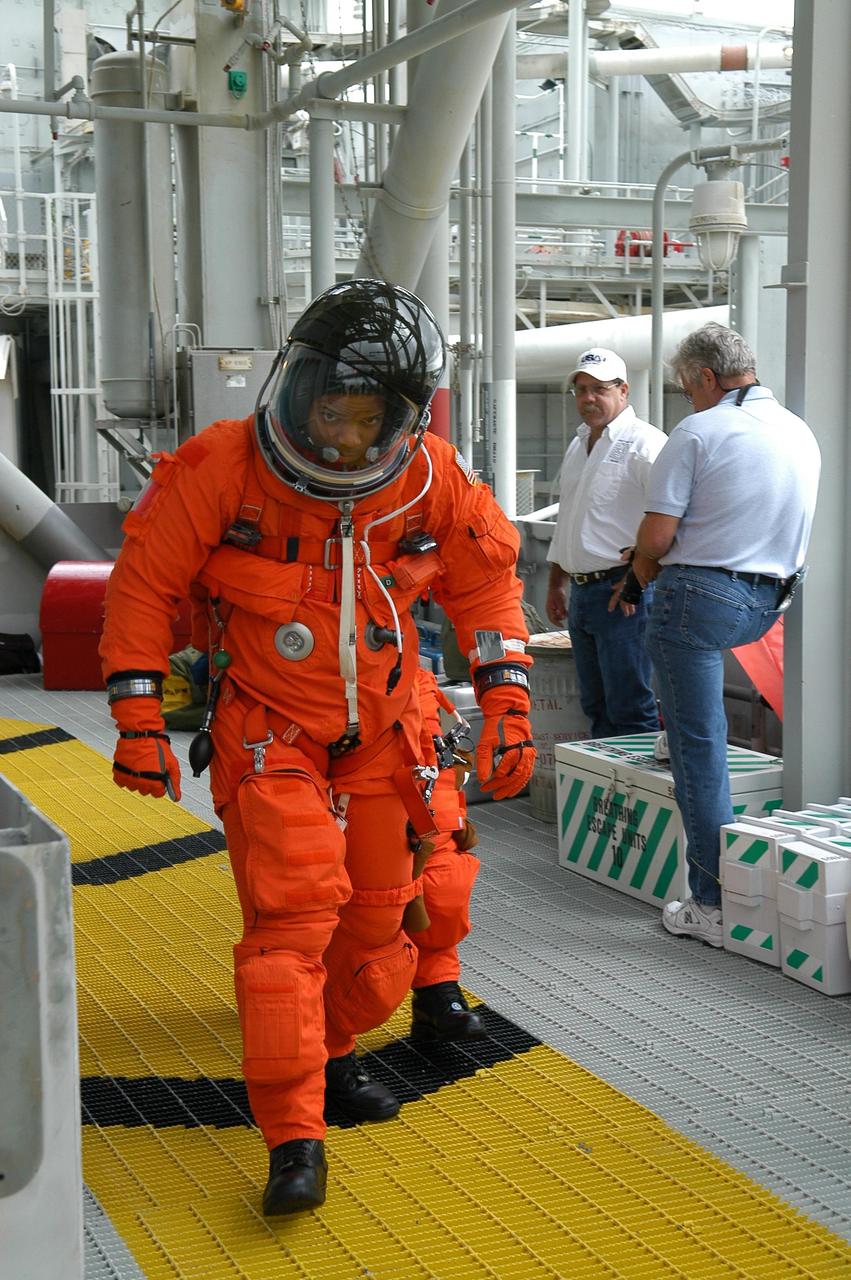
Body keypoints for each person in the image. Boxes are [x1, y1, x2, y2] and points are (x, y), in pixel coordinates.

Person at [99, 279, 536, 1217]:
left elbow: (486, 590)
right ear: (293, 384)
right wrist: (138, 718)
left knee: (380, 925)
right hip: (269, 728)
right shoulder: (220, 469)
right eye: (328, 413)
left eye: (362, 421)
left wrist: (507, 699)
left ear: (402, 420)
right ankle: (292, 1133)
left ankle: (331, 1055)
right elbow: (142, 589)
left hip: (385, 732)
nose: (340, 439)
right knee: (293, 920)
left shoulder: (429, 480)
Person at [611, 322, 820, 946]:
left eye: (685, 387)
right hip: (770, 600)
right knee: (696, 733)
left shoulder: (699, 430)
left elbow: (656, 538)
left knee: (702, 751)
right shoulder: (798, 430)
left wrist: (637, 573)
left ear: (706, 377)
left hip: (698, 601)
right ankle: (674, 737)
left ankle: (711, 903)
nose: (686, 399)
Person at [545, 347, 666, 738]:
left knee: (629, 707)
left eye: (599, 389)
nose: (588, 399)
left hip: (622, 595)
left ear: (624, 390)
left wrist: (639, 578)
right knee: (596, 706)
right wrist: (555, 583)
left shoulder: (645, 444)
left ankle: (638, 794)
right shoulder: (579, 444)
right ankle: (609, 794)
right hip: (582, 595)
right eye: (581, 390)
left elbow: (674, 516)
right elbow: (569, 520)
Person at [406, 666, 485, 1042]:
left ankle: (437, 991)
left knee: (443, 884)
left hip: (405, 700)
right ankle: (321, 1024)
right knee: (316, 895)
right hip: (306, 705)